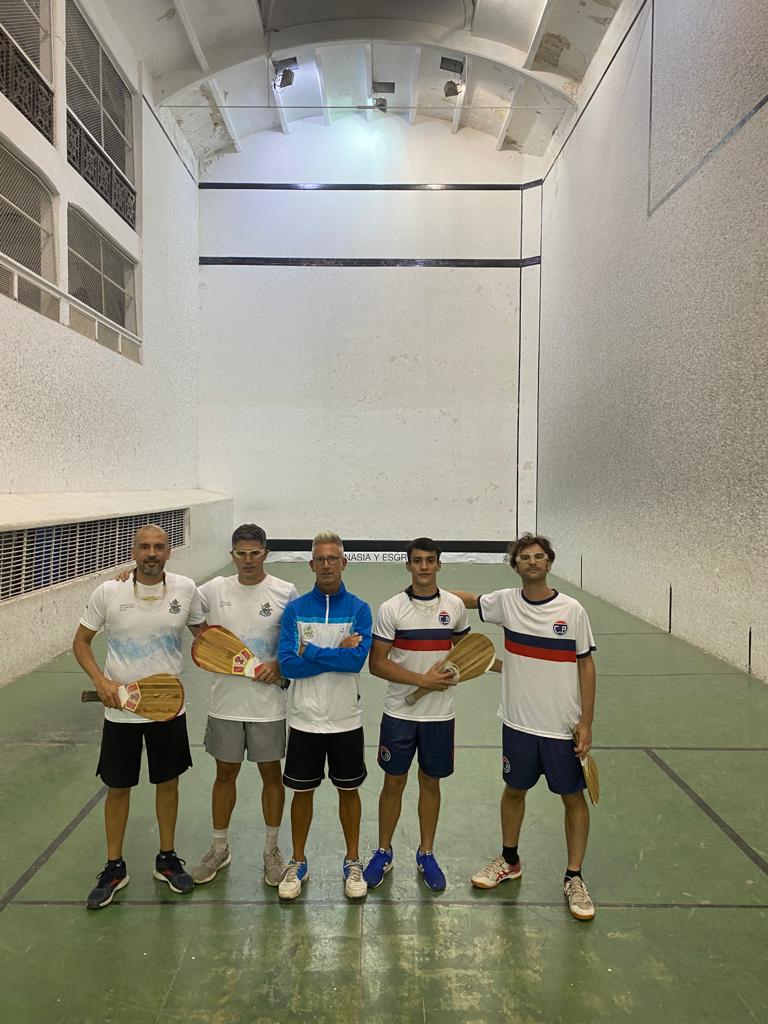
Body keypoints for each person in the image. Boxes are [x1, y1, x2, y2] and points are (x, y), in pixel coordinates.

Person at [453, 533, 598, 921]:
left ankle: (574, 877)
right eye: (524, 557)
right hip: (517, 723)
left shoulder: (572, 611)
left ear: (549, 563)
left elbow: (586, 664)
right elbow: (468, 600)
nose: (532, 561)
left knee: (572, 798)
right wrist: (427, 593)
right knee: (514, 790)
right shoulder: (505, 602)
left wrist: (586, 722)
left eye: (538, 556)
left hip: (561, 728)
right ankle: (509, 860)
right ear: (515, 565)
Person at [73, 524, 205, 909]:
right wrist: (100, 681)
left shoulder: (185, 589)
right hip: (121, 715)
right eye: (144, 546)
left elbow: (206, 636)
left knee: (168, 783)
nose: (151, 553)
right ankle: (114, 868)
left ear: (169, 552)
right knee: (117, 788)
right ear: (133, 551)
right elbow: (81, 642)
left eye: (159, 547)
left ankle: (167, 859)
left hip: (168, 710)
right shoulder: (108, 592)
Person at [190, 525, 299, 888]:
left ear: (265, 553)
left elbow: (296, 639)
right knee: (225, 774)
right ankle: (219, 848)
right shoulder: (213, 589)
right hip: (225, 704)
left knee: (271, 774)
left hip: (268, 705)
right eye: (241, 553)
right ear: (232, 555)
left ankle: (271, 850)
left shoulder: (285, 591)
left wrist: (279, 665)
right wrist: (211, 647)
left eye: (255, 553)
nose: (248, 560)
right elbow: (178, 602)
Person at [363, 538, 471, 892]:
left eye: (430, 560)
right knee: (393, 782)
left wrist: (463, 671)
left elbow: (466, 653)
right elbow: (377, 664)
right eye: (418, 560)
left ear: (439, 564)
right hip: (399, 713)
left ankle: (426, 853)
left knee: (430, 782)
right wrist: (422, 680)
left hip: (440, 716)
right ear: (408, 565)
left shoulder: (454, 606)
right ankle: (383, 851)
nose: (424, 566)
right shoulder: (391, 608)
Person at [276, 531, 372, 901]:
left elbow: (355, 661)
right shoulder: (295, 610)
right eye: (320, 559)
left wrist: (311, 650)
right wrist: (335, 652)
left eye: (333, 558)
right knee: (302, 794)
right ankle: (298, 861)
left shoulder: (360, 609)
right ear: (311, 564)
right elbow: (288, 665)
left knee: (349, 791)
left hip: (346, 720)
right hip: (304, 721)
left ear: (343, 563)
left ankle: (353, 861)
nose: (327, 564)